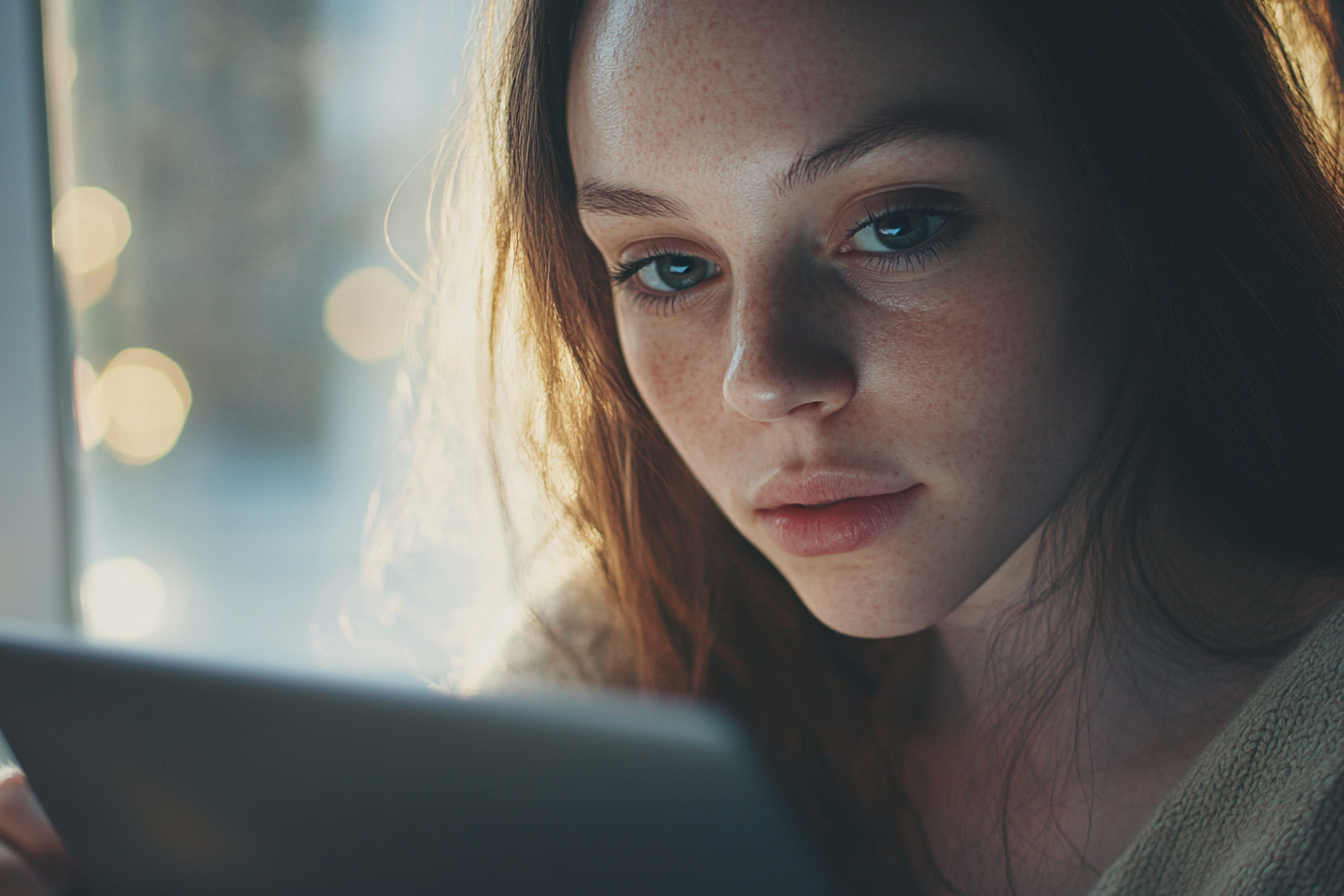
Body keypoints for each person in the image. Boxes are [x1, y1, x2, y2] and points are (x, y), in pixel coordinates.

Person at [5, 0, 1344, 894]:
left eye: (897, 225)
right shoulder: (628, 663)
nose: (767, 376)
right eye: (667, 263)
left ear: (1150, 188)